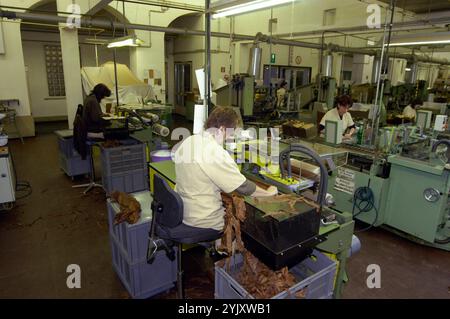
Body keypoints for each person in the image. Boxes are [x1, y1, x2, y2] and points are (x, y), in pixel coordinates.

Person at [173, 106, 277, 232]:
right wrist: (268, 193)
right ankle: (225, 249)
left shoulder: (190, 140)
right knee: (242, 224)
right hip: (203, 220)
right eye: (231, 133)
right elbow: (243, 187)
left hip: (182, 212)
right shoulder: (214, 151)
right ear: (222, 129)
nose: (229, 138)